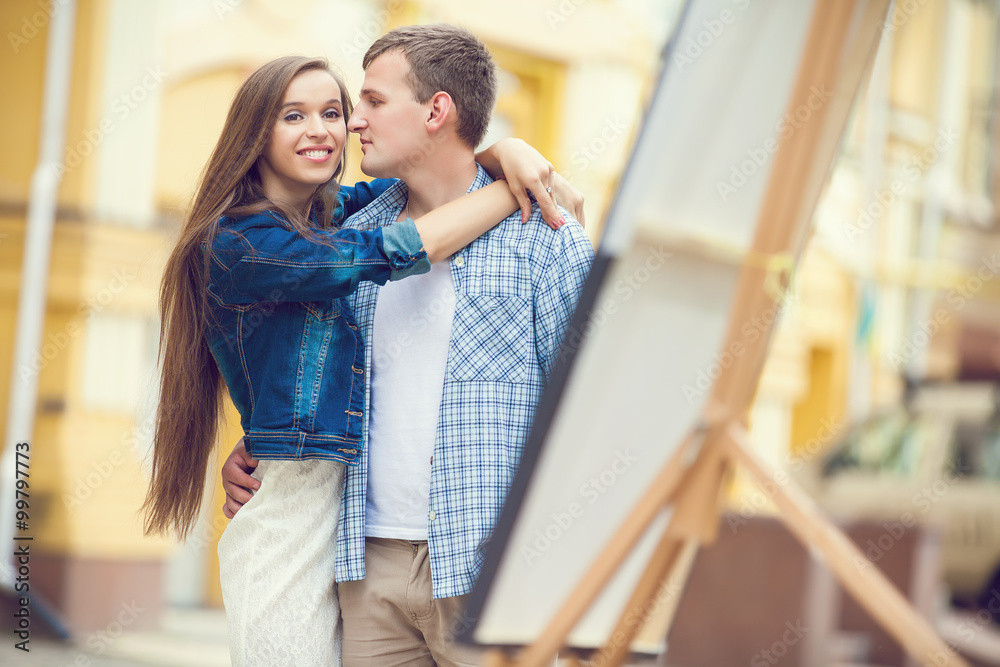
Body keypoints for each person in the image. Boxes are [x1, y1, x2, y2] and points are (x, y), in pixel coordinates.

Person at [141, 54, 581, 667]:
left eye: (334, 111)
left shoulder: (342, 211)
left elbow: (439, 173)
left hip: (354, 523)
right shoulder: (241, 243)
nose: (325, 129)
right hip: (295, 523)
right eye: (293, 115)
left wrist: (511, 151)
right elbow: (393, 250)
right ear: (255, 134)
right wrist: (516, 190)